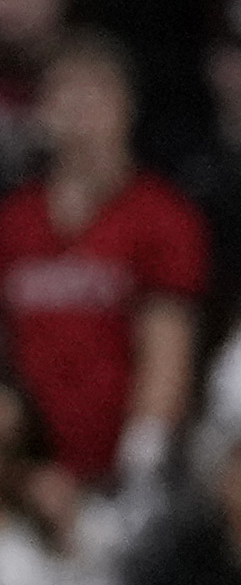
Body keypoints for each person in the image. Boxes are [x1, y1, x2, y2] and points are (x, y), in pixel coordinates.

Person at [0, 43, 210, 504]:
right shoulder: (15, 221)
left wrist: (143, 455)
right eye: (65, 94)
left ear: (126, 109)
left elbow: (166, 342)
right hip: (29, 474)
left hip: (121, 469)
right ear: (41, 111)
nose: (80, 110)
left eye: (95, 95)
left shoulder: (160, 215)